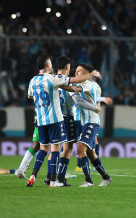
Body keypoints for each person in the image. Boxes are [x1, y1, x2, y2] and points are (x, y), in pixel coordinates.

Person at [25, 55, 102, 187]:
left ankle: (36, 175)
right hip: (60, 118)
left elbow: (30, 95)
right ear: (68, 67)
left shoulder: (34, 80)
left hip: (42, 120)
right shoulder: (57, 79)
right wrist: (91, 77)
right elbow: (74, 90)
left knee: (45, 148)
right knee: (59, 148)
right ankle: (54, 179)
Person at [70, 63, 112, 187]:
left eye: (79, 71)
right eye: (76, 71)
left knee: (80, 149)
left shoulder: (87, 84)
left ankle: (88, 181)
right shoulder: (92, 84)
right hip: (85, 121)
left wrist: (60, 83)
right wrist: (101, 101)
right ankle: (106, 177)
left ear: (88, 74)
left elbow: (76, 93)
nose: (76, 73)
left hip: (91, 122)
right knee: (90, 154)